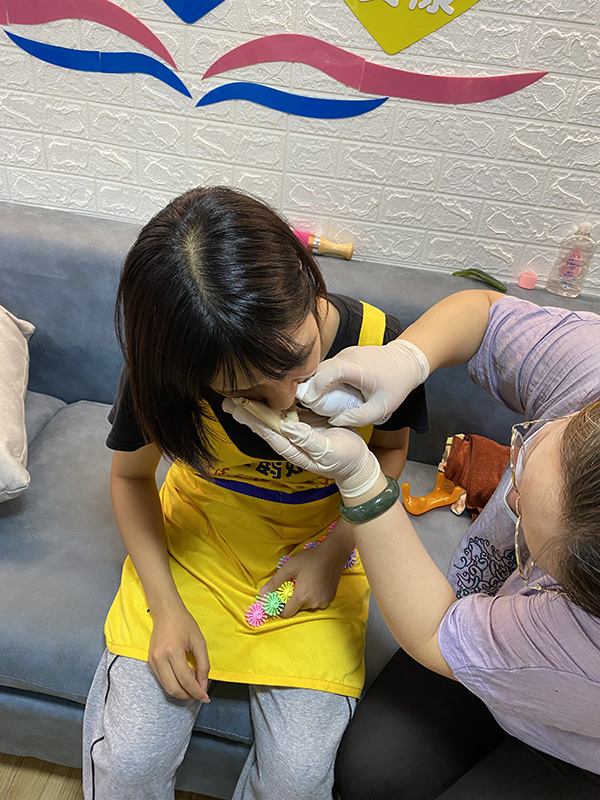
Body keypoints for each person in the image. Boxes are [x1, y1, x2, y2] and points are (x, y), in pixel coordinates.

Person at [81, 186, 428, 800]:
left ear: (307, 280)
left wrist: (333, 551)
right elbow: (131, 477)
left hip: (323, 548)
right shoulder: (169, 366)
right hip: (196, 550)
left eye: (298, 362)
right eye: (246, 393)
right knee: (129, 761)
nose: (287, 401)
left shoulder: (381, 345)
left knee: (297, 780)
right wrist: (166, 608)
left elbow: (390, 454)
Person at [227, 289, 600, 799]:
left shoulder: (581, 646)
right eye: (529, 451)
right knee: (369, 777)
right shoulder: (591, 368)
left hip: (580, 740)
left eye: (526, 519)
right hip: (485, 622)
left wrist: (361, 480)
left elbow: (431, 632)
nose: (508, 495)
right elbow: (483, 315)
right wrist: (408, 356)